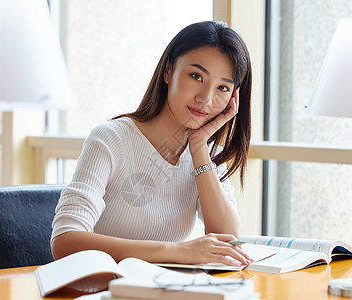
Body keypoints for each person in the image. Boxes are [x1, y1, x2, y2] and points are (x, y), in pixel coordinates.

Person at [51, 21, 253, 267]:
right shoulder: (111, 139)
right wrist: (178, 251)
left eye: (222, 87)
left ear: (234, 98)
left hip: (161, 288)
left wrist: (199, 149)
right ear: (168, 71)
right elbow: (64, 242)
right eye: (196, 76)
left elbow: (228, 240)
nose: (206, 98)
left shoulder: (208, 155)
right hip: (103, 288)